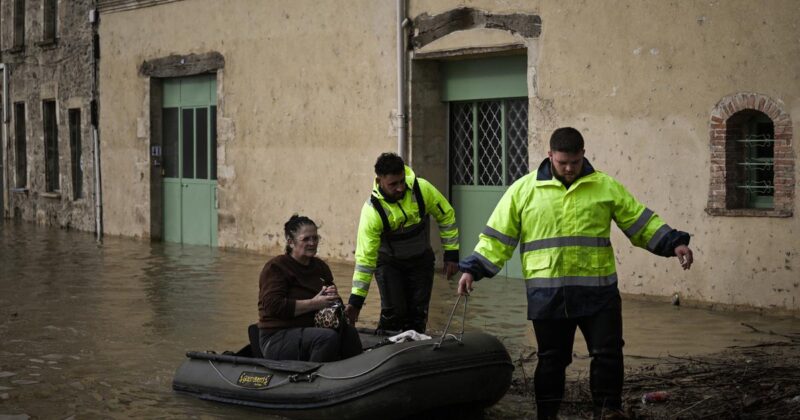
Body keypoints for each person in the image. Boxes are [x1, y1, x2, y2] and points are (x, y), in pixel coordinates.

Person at [457, 127, 694, 420]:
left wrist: (675, 243)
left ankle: (607, 412)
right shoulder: (523, 190)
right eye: (562, 163)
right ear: (549, 156)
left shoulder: (605, 187)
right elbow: (497, 238)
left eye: (574, 162)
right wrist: (473, 269)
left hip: (599, 293)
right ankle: (547, 415)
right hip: (548, 295)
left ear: (583, 154)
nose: (569, 169)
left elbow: (639, 221)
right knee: (551, 361)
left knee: (607, 355)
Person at [345, 152, 460, 333]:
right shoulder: (372, 211)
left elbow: (446, 215)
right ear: (379, 181)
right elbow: (365, 260)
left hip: (421, 261)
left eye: (401, 181)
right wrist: (356, 301)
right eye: (393, 184)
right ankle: (386, 344)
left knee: (418, 315)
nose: (400, 188)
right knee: (394, 314)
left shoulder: (422, 190)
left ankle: (416, 351)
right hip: (389, 265)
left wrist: (451, 254)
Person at [258, 215, 362, 362]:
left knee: (349, 332)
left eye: (315, 238)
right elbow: (273, 305)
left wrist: (334, 299)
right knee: (326, 338)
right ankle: (312, 379)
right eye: (306, 239)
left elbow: (331, 303)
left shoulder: (320, 267)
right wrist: (314, 303)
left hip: (312, 330)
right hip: (277, 337)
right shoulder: (276, 267)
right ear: (290, 242)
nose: (312, 243)